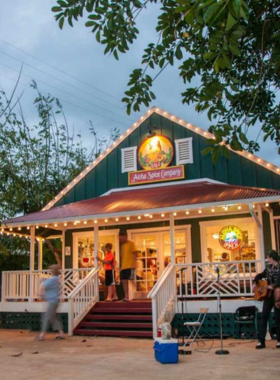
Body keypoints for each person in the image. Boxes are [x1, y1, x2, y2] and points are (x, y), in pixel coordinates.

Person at [253, 250, 280, 349]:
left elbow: (278, 282)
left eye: (268, 257)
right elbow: (261, 275)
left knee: (278, 318)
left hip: (277, 295)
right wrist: (255, 282)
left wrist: (270, 286)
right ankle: (261, 341)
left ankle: (279, 340)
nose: (267, 259)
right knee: (264, 317)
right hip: (268, 296)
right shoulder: (268, 268)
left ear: (272, 258)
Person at [36, 264, 64, 341]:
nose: (50, 271)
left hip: (51, 302)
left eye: (51, 270)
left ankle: (42, 336)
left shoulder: (53, 280)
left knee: (46, 318)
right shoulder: (56, 279)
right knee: (53, 318)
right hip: (55, 301)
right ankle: (61, 333)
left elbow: (43, 286)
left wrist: (40, 295)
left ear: (53, 271)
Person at [119, 232, 137, 302]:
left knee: (131, 280)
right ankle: (126, 296)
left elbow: (135, 253)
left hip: (131, 265)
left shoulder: (131, 244)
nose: (121, 240)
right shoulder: (122, 246)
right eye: (120, 239)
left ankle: (140, 293)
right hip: (124, 266)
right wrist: (121, 266)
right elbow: (123, 257)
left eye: (121, 238)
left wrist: (135, 263)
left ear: (125, 236)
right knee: (124, 281)